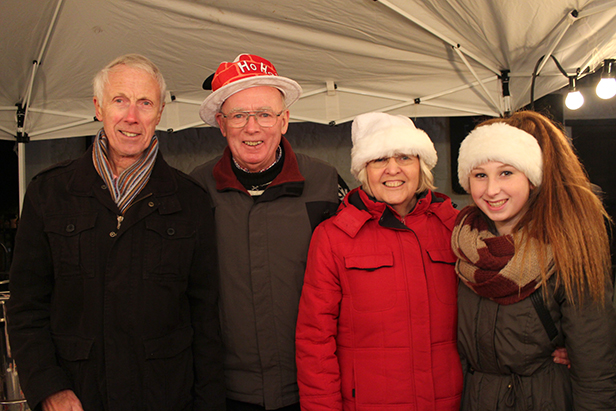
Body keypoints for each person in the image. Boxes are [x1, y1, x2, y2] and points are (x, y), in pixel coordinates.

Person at [7, 54, 225, 411]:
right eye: (119, 100)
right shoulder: (49, 193)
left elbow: (205, 321)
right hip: (77, 399)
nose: (132, 117)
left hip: (165, 398)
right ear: (98, 107)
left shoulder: (191, 200)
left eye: (145, 103)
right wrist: (49, 388)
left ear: (159, 113)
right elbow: (26, 306)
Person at [191, 54, 345, 411]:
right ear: (221, 123)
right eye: (239, 116)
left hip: (309, 387)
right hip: (224, 391)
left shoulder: (324, 182)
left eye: (264, 114)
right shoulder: (196, 189)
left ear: (285, 120)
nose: (252, 128)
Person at [295, 112, 463, 410]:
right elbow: (315, 340)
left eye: (404, 158)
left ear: (421, 165)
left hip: (450, 401)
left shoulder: (455, 228)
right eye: (379, 160)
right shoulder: (334, 237)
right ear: (363, 170)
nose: (393, 170)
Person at [453, 110, 616, 410]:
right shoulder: (463, 241)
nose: (491, 190)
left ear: (531, 178)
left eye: (506, 172)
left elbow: (596, 370)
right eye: (480, 175)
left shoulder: (567, 247)